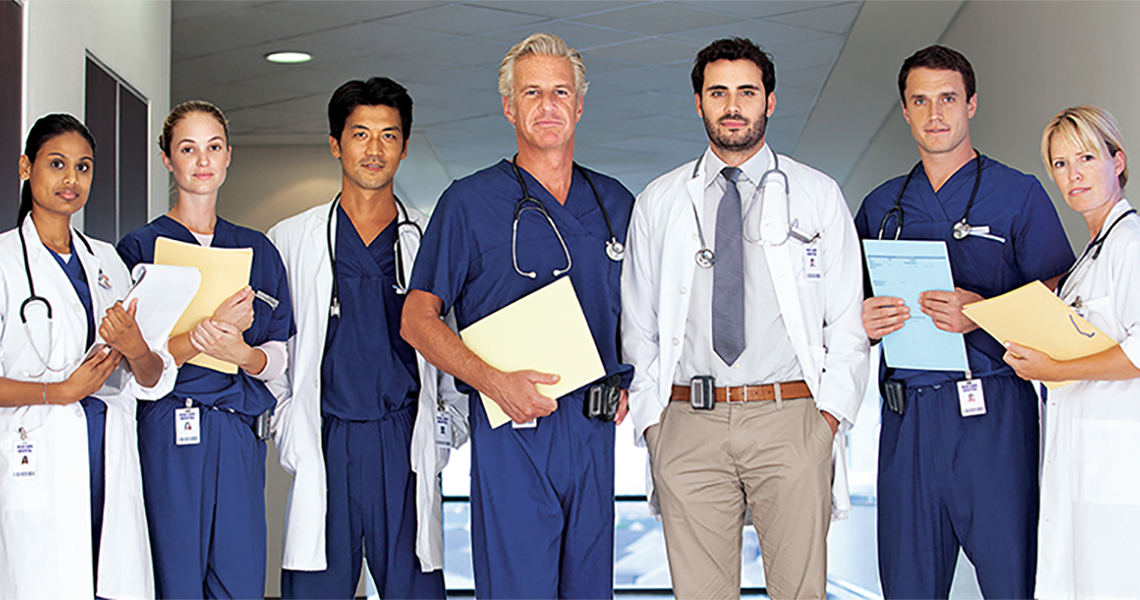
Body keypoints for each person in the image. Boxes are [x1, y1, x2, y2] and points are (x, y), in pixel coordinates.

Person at [622, 37, 869, 600]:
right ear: (699, 103)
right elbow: (639, 329)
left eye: (746, 92)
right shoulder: (658, 202)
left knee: (800, 592)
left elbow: (847, 324)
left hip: (791, 419)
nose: (733, 105)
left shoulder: (818, 194)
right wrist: (654, 426)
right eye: (718, 92)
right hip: (687, 421)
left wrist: (826, 422)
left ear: (770, 102)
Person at [401, 32, 634, 600]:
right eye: (532, 93)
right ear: (509, 107)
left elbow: (644, 315)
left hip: (594, 428)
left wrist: (635, 384)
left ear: (579, 105)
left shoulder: (617, 204)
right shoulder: (470, 203)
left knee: (589, 589)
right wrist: (492, 381)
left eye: (561, 92)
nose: (548, 106)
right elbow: (416, 317)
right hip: (513, 430)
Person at [853, 45, 1074, 599]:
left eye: (948, 98)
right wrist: (864, 318)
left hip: (993, 415)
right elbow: (845, 309)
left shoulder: (1018, 194)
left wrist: (982, 312)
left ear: (971, 104)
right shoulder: (882, 207)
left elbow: (1060, 295)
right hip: (908, 420)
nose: (935, 114)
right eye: (920, 101)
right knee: (908, 584)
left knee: (1011, 580)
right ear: (904, 111)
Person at [267, 76, 464, 599]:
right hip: (326, 436)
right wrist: (287, 424)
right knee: (315, 588)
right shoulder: (290, 241)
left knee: (414, 588)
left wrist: (448, 431)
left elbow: (461, 349)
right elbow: (272, 352)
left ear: (403, 146)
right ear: (336, 144)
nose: (374, 150)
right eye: (360, 134)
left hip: (403, 441)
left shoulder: (431, 239)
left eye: (389, 136)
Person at [117, 100, 295, 600]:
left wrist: (240, 352)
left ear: (228, 156)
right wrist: (204, 334)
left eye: (213, 148)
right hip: (168, 430)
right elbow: (133, 364)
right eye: (188, 149)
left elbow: (277, 357)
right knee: (173, 573)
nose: (202, 160)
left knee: (239, 575)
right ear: (167, 159)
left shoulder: (257, 249)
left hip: (237, 431)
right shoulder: (140, 249)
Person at [0, 113, 176, 599]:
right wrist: (57, 393)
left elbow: (152, 375)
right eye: (57, 164)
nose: (71, 179)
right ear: (25, 167)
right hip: (40, 456)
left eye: (83, 167)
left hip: (108, 455)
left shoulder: (108, 262)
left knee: (108, 581)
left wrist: (138, 348)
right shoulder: (5, 262)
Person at [1002, 106, 1140, 599]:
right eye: (1059, 164)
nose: (1073, 174)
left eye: (1086, 157)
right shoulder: (1089, 259)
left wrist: (1053, 367)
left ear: (1117, 160)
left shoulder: (1131, 246)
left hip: (1118, 471)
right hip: (1080, 464)